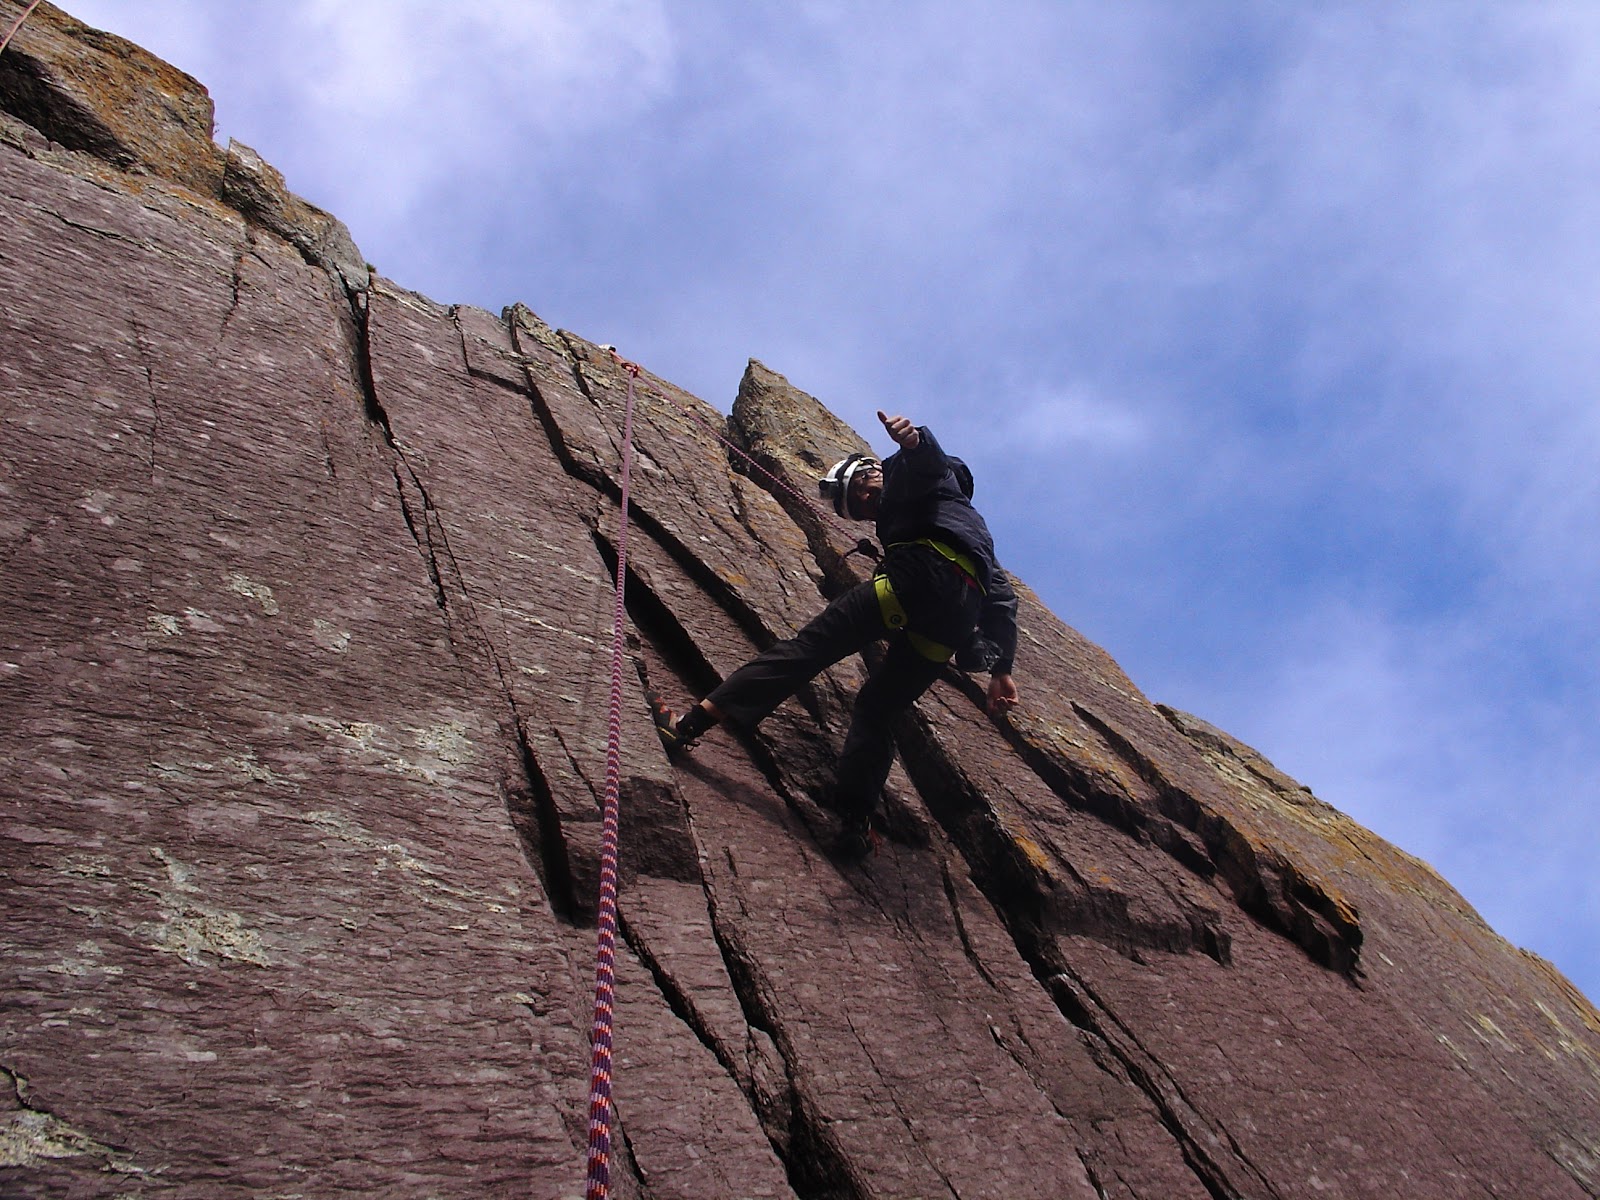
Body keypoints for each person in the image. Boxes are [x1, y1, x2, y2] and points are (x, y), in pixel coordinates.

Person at [650, 410, 1020, 859]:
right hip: (952, 623)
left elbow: (927, 464)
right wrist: (1001, 669)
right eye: (859, 505)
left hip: (916, 579)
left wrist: (914, 440)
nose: (866, 501)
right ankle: (856, 824)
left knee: (806, 651)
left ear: (873, 470)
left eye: (863, 489)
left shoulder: (907, 474)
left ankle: (687, 728)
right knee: (876, 709)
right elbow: (1001, 596)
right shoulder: (972, 527)